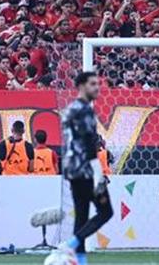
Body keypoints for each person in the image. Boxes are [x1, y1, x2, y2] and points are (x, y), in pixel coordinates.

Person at [55, 71, 113, 265]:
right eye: (92, 84)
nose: (97, 88)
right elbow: (89, 144)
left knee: (81, 217)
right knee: (106, 212)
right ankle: (70, 244)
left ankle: (80, 261)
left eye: (98, 84)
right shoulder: (85, 110)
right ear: (81, 86)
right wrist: (98, 174)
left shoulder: (70, 109)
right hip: (86, 170)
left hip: (72, 170)